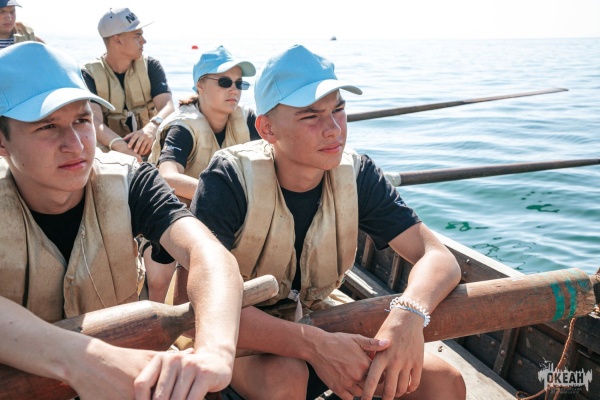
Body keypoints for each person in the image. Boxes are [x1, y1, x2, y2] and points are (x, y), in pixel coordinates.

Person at [190, 44, 466, 400]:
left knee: (443, 381)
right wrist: (314, 346)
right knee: (285, 380)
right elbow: (197, 300)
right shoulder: (228, 179)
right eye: (311, 116)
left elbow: (438, 257)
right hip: (243, 339)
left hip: (321, 318)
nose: (334, 129)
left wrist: (408, 314)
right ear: (267, 128)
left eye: (339, 110)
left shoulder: (358, 174)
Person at [0, 42, 243, 400]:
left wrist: (215, 353)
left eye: (82, 120)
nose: (75, 145)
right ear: (2, 142)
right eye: (47, 126)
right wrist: (83, 359)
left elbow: (207, 253)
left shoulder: (131, 180)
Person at [144, 45, 259, 303]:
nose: (234, 90)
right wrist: (221, 197)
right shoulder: (182, 127)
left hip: (226, 218)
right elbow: (167, 177)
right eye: (225, 82)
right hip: (172, 213)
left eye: (239, 84)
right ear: (200, 86)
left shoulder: (248, 120)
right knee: (160, 280)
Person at [82, 7, 175, 162]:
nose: (143, 41)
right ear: (117, 40)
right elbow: (93, 120)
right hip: (110, 154)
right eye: (137, 35)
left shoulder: (151, 65)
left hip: (149, 147)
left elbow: (168, 106)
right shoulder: (88, 73)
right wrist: (122, 147)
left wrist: (152, 127)